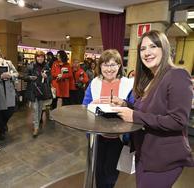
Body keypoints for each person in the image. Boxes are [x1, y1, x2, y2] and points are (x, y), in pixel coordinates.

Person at [115, 30, 194, 188]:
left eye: (153, 46)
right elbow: (148, 111)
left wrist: (135, 116)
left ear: (164, 48)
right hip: (144, 153)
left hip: (164, 158)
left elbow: (178, 121)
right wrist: (125, 105)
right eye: (143, 49)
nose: (147, 52)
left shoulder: (177, 75)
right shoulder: (149, 79)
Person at [82, 49, 133, 188]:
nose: (109, 69)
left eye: (113, 65)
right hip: (97, 136)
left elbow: (134, 108)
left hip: (118, 137)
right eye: (105, 65)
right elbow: (84, 107)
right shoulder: (94, 83)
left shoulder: (128, 84)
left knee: (110, 173)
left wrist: (123, 103)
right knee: (97, 170)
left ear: (119, 66)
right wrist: (93, 104)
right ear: (100, 66)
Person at [23, 51, 52, 137]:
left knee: (40, 109)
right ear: (36, 57)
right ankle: (36, 127)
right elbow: (24, 76)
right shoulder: (31, 66)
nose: (40, 58)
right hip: (33, 91)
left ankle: (37, 124)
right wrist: (30, 77)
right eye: (38, 57)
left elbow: (50, 78)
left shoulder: (46, 66)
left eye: (42, 57)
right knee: (35, 109)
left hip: (42, 91)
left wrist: (47, 77)